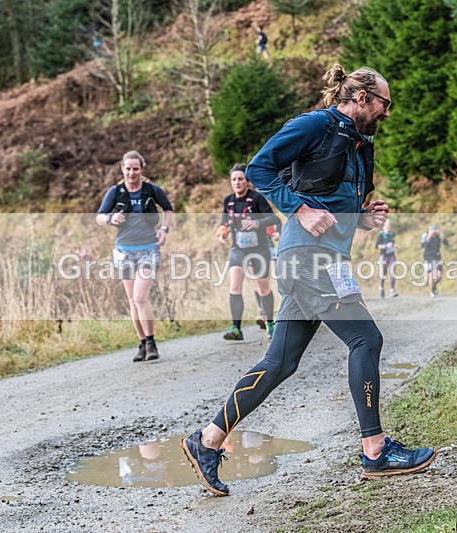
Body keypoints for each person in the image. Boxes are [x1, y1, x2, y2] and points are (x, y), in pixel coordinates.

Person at [181, 64, 436, 496]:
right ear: (361, 98)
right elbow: (261, 169)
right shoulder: (315, 124)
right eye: (383, 103)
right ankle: (375, 452)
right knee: (365, 340)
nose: (387, 113)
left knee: (280, 363)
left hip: (323, 257)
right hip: (306, 258)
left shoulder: (359, 142)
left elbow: (331, 204)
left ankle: (206, 440)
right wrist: (298, 210)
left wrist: (364, 218)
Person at [96, 150, 174, 362]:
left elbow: (168, 209)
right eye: (128, 169)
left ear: (141, 169)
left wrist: (164, 230)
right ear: (122, 169)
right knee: (132, 300)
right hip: (124, 251)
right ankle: (142, 344)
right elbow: (99, 217)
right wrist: (112, 218)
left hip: (148, 249)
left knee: (140, 297)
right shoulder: (116, 191)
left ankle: (151, 342)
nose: (131, 173)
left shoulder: (151, 190)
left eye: (135, 169)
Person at [216, 163, 280, 340]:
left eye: (240, 179)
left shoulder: (257, 198)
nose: (237, 182)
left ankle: (269, 323)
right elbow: (224, 223)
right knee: (234, 286)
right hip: (238, 249)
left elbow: (272, 217)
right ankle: (236, 329)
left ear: (247, 181)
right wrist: (222, 234)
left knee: (263, 288)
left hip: (259, 249)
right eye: (234, 179)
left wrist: (257, 223)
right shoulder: (228, 201)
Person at [420, 224, 448, 298]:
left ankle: (434, 286)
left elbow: (446, 243)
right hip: (428, 258)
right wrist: (429, 236)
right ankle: (431, 291)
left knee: (439, 276)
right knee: (431, 275)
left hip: (436, 257)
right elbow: (423, 245)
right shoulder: (425, 235)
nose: (434, 232)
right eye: (432, 230)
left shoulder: (438, 236)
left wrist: (442, 235)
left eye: (435, 230)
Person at [376, 218, 398, 298]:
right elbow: (377, 246)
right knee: (383, 273)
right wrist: (385, 246)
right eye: (387, 226)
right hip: (383, 255)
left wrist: (394, 245)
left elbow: (392, 243)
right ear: (383, 227)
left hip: (391, 255)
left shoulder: (392, 234)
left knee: (393, 272)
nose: (388, 227)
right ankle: (381, 288)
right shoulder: (381, 234)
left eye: (389, 225)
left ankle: (392, 290)